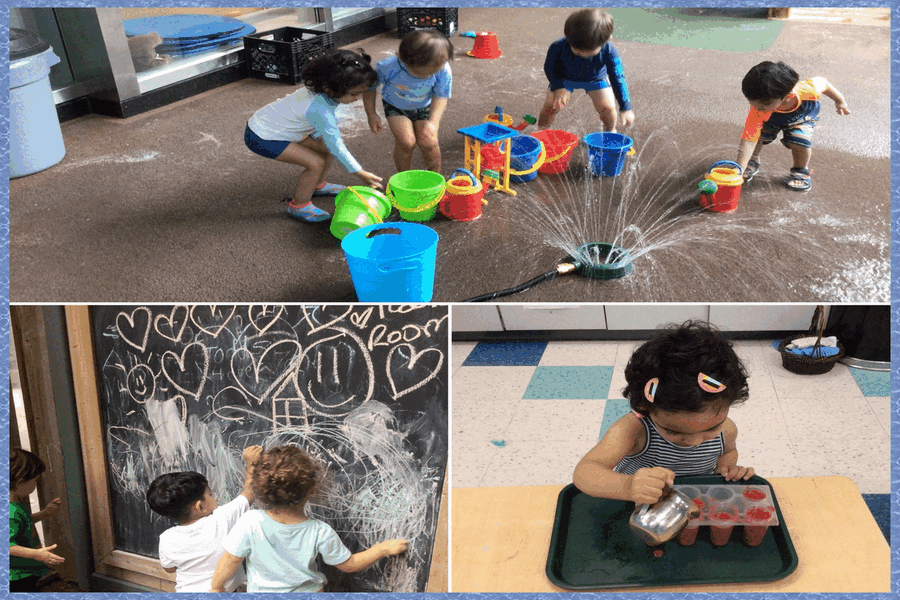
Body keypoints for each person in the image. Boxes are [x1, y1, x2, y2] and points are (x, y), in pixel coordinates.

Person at [573, 322, 754, 504]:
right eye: (674, 432)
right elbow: (585, 471)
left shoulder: (727, 430)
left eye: (712, 428)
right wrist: (628, 487)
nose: (695, 442)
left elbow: (728, 452)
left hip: (693, 503)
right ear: (645, 408)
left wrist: (727, 471)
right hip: (634, 503)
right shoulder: (634, 430)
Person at [210, 445, 408, 593]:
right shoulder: (319, 530)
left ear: (261, 489)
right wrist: (383, 549)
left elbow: (231, 559)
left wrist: (216, 588)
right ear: (311, 490)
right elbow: (349, 564)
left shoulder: (250, 521)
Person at [245, 49, 384, 223]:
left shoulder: (324, 89)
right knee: (315, 163)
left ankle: (317, 184)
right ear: (329, 88)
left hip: (281, 127)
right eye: (354, 94)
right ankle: (299, 205)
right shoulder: (320, 109)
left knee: (326, 149)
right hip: (263, 137)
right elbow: (336, 144)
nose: (358, 98)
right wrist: (360, 172)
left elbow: (324, 137)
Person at [146, 445, 262, 592]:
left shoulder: (167, 538)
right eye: (210, 494)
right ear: (200, 507)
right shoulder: (222, 518)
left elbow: (169, 568)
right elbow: (250, 491)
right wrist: (252, 463)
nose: (213, 496)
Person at [736, 61, 850, 192]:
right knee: (758, 136)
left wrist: (839, 101)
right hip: (770, 119)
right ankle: (751, 162)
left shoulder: (808, 90)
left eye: (762, 104)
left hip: (800, 117)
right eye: (751, 102)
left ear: (787, 97)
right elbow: (748, 140)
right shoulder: (758, 110)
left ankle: (800, 171)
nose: (756, 107)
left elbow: (823, 83)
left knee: (800, 141)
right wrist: (739, 170)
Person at [364, 30, 453, 174]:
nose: (427, 76)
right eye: (421, 73)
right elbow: (370, 88)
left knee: (429, 142)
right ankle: (402, 179)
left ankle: (436, 177)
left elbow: (441, 96)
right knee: (406, 142)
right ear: (401, 59)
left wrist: (433, 122)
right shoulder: (387, 67)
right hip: (396, 106)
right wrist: (371, 114)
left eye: (432, 73)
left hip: (425, 106)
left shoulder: (442, 69)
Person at [538, 8, 634, 131]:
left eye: (587, 51)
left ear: (607, 39)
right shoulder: (557, 46)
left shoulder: (610, 52)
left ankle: (610, 132)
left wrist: (625, 108)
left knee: (608, 108)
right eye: (576, 49)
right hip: (564, 78)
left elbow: (618, 79)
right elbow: (550, 68)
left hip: (595, 79)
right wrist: (559, 86)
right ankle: (542, 130)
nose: (581, 53)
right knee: (552, 105)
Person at [10, 448, 64, 593]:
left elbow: (23, 523)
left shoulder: (14, 506)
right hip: (16, 577)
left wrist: (44, 513)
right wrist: (37, 554)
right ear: (20, 482)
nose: (36, 484)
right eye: (35, 480)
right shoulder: (11, 512)